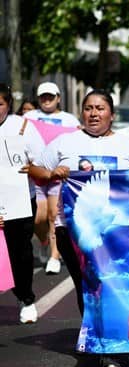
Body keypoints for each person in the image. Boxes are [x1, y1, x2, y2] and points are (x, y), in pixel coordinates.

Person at [29, 89, 129, 367]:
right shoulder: (64, 142)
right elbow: (35, 170)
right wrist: (52, 173)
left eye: (100, 108)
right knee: (89, 288)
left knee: (110, 284)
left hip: (117, 235)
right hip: (71, 231)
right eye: (88, 108)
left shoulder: (128, 146)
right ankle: (100, 342)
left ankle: (110, 348)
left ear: (112, 114)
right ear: (81, 112)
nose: (94, 113)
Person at [0, 83, 46, 324]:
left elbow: (41, 161)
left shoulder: (23, 127)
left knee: (19, 251)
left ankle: (26, 298)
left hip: (19, 201)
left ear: (8, 105)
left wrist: (32, 168)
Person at [25, 81, 80, 275]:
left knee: (54, 215)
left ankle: (54, 256)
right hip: (36, 173)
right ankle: (43, 241)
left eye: (50, 96)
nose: (47, 100)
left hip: (59, 174)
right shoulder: (29, 117)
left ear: (58, 98)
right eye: (43, 97)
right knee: (39, 218)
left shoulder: (70, 120)